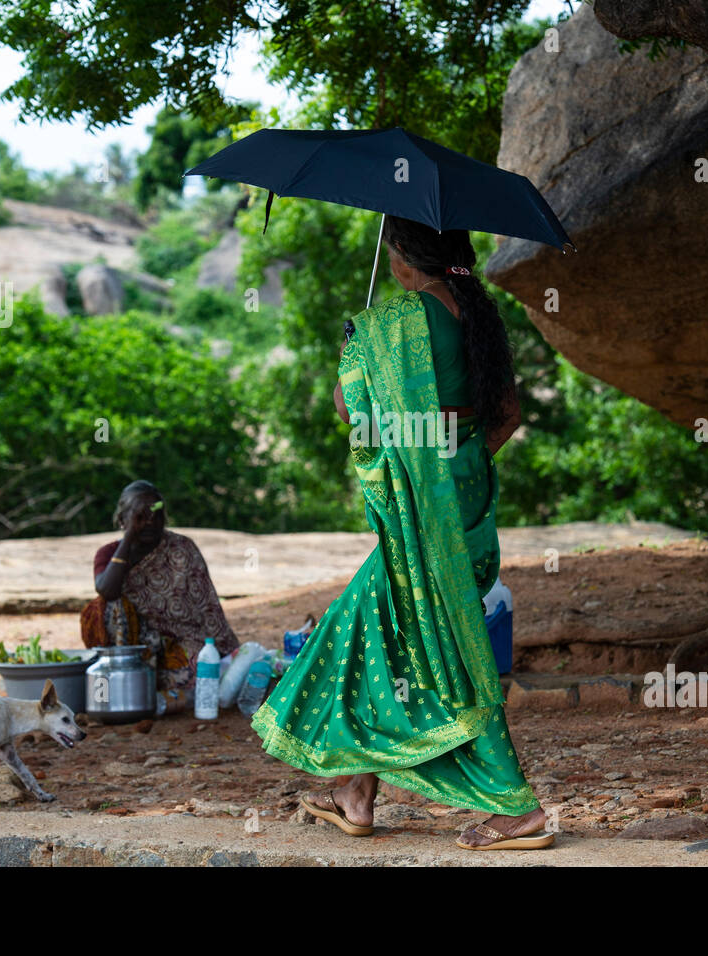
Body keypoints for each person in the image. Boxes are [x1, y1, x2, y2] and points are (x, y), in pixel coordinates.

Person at [250, 214, 552, 850]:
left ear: (407, 257)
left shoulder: (397, 321)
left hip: (423, 515)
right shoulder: (479, 313)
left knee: (445, 650)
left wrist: (354, 351)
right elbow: (507, 417)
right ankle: (355, 791)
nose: (388, 262)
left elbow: (348, 411)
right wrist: (457, 462)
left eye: (391, 249)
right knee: (377, 628)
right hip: (463, 503)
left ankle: (516, 804)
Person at [80, 480, 239, 715]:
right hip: (135, 646)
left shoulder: (181, 549)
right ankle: (126, 682)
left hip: (182, 640)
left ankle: (157, 694)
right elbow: (107, 590)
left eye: (156, 514)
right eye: (140, 516)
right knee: (107, 606)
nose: (150, 522)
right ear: (123, 520)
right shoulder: (109, 553)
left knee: (208, 674)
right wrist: (129, 537)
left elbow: (205, 612)